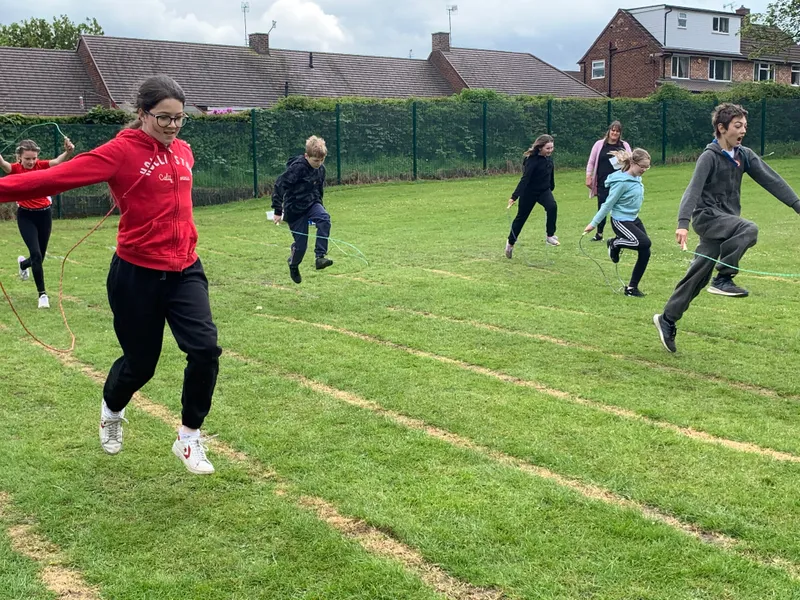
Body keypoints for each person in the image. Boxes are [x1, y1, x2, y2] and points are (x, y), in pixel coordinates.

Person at [0, 75, 221, 474]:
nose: (172, 127)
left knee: (205, 350)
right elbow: (52, 178)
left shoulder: (185, 152)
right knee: (141, 363)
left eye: (179, 119)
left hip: (186, 267)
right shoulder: (121, 151)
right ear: (141, 114)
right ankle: (112, 410)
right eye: (163, 118)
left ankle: (189, 437)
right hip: (136, 273)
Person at [654, 103, 800, 353]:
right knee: (749, 229)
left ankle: (667, 319)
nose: (742, 130)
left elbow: (772, 179)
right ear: (721, 128)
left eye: (744, 126)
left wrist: (797, 204)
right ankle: (723, 278)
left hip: (727, 223)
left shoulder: (744, 155)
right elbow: (693, 190)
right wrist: (682, 224)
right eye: (737, 126)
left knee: (697, 277)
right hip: (708, 218)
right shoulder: (709, 157)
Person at [0, 137, 75, 308]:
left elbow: (56, 162)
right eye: (27, 159)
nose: (31, 162)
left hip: (44, 216)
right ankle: (42, 295)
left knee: (39, 257)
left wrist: (68, 152)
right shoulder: (16, 169)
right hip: (26, 217)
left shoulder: (40, 165)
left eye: (33, 158)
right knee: (35, 254)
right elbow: (4, 165)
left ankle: (22, 264)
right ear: (19, 157)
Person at [583, 148, 652, 297]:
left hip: (633, 219)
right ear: (634, 163)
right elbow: (607, 204)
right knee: (644, 242)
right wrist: (593, 223)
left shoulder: (636, 177)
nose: (645, 170)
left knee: (645, 251)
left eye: (647, 167)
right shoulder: (621, 182)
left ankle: (632, 288)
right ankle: (614, 243)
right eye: (643, 166)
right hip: (620, 220)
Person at [271, 136, 333, 284]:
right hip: (295, 209)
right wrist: (278, 210)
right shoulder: (297, 168)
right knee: (301, 247)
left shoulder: (321, 170)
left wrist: (319, 209)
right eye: (315, 161)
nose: (319, 164)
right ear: (307, 156)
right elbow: (280, 185)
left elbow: (318, 190)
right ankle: (293, 264)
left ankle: (320, 257)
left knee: (325, 218)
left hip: (312, 204)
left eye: (321, 160)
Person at [505, 134, 558, 258]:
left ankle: (550, 235)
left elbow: (551, 174)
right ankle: (510, 243)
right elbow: (525, 179)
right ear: (540, 147)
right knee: (521, 218)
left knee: (552, 207)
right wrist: (514, 196)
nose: (550, 151)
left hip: (544, 191)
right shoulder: (532, 161)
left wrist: (551, 187)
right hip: (529, 192)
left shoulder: (549, 159)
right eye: (547, 148)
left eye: (551, 148)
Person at [585, 121, 631, 242]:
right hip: (603, 181)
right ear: (609, 131)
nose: (615, 133)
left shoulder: (624, 145)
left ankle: (620, 233)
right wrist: (588, 176)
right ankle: (599, 233)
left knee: (618, 208)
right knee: (603, 206)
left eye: (617, 131)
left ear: (620, 133)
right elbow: (591, 161)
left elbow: (631, 161)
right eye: (613, 130)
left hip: (620, 183)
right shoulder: (599, 145)